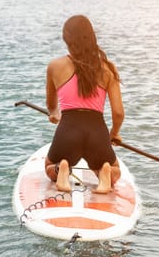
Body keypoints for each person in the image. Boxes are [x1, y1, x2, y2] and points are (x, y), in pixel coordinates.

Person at [44, 15, 124, 194]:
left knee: (49, 166)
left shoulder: (55, 66)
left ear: (66, 39)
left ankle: (62, 170)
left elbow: (51, 105)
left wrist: (54, 113)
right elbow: (118, 113)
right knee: (115, 169)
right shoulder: (108, 69)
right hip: (97, 133)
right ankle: (105, 174)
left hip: (68, 131)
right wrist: (114, 133)